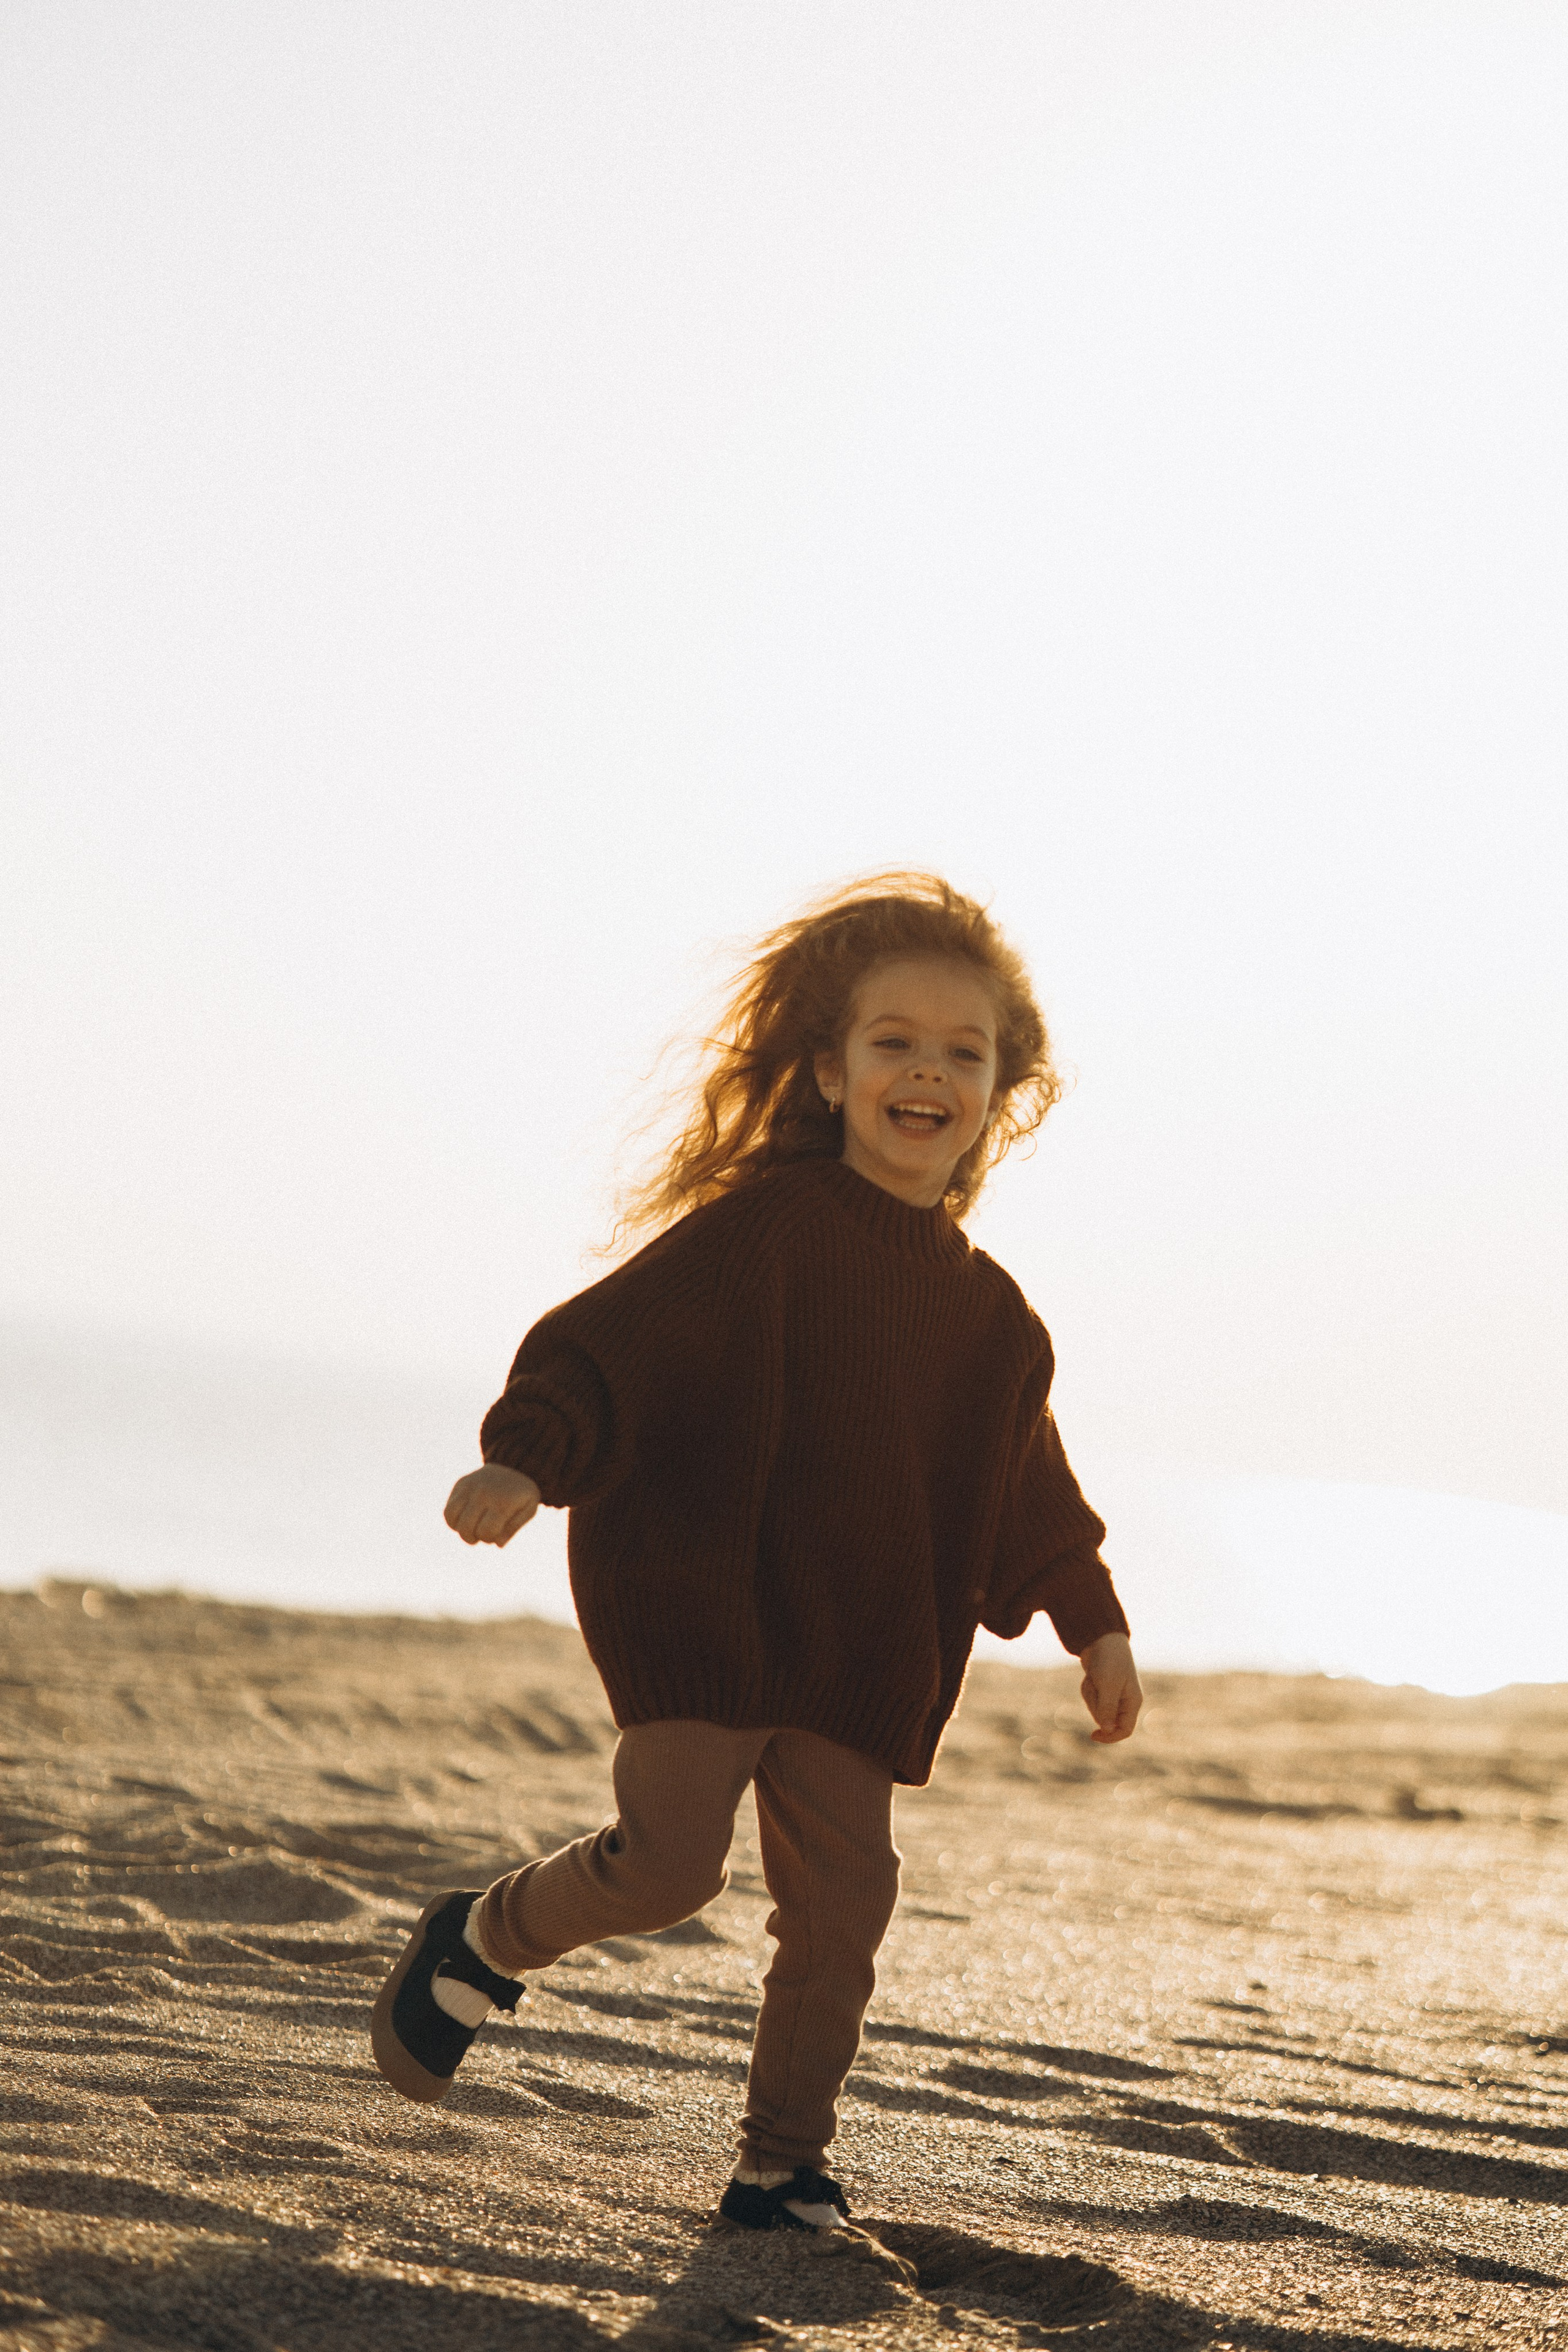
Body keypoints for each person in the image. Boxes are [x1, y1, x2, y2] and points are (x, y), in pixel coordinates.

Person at [371, 870, 1142, 2232]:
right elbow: (606, 1348)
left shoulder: (996, 1324)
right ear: (832, 1075)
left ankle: (780, 2164)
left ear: (998, 1094)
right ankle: (482, 1935)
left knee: (844, 1905)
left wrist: (1093, 1623)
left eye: (963, 1052)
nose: (926, 1072)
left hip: (858, 1651)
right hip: (706, 1612)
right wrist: (524, 1457)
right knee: (669, 1866)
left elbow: (1025, 1483)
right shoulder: (764, 1234)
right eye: (892, 1041)